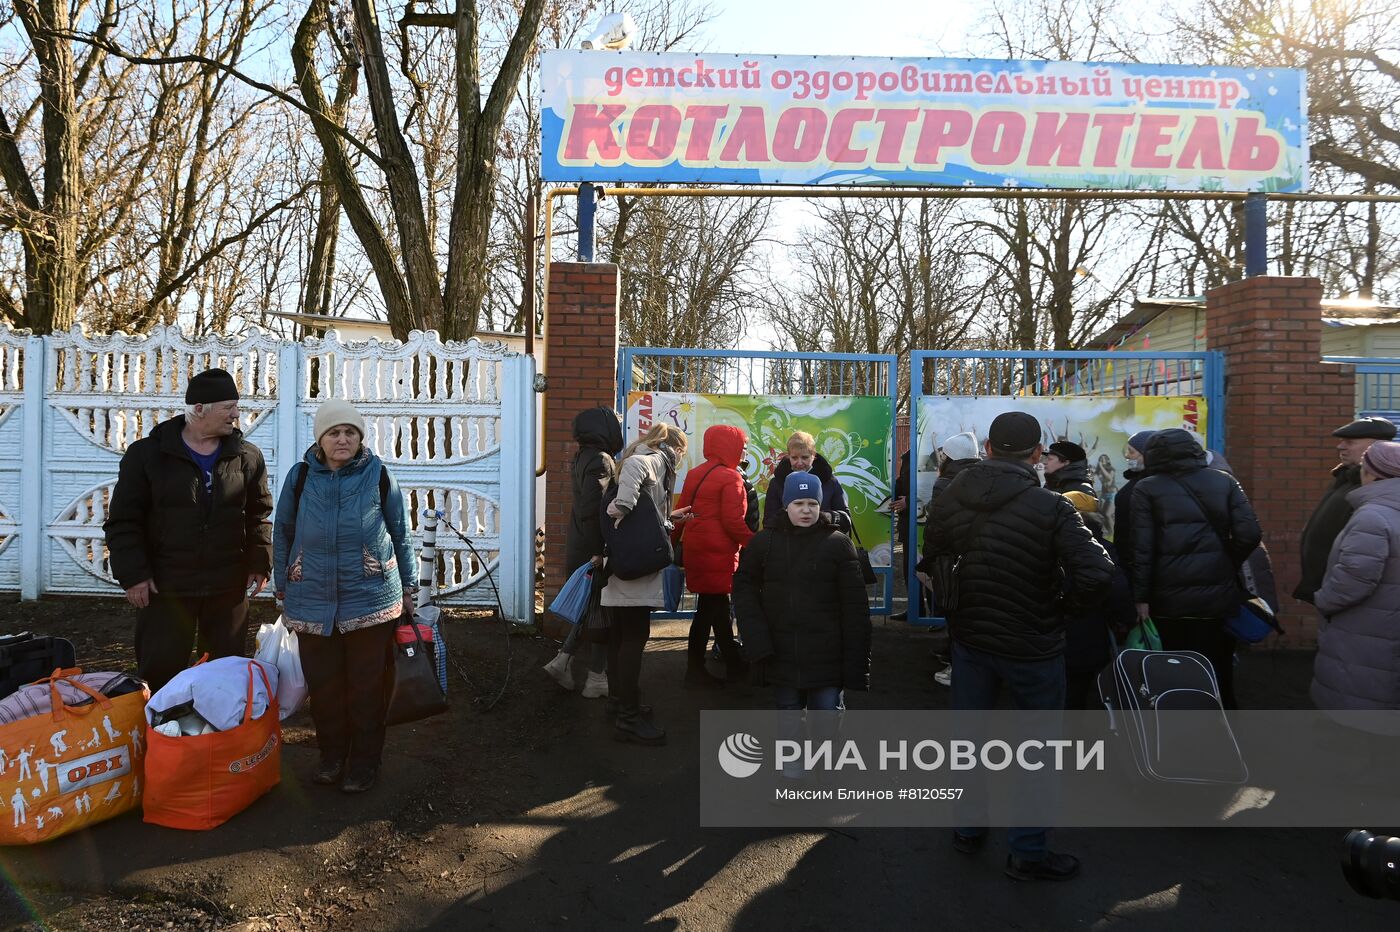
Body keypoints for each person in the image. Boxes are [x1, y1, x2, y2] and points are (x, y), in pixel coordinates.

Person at [921, 411, 1114, 881]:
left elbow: (933, 559)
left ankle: (968, 830)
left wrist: (960, 607)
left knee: (968, 744)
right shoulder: (1052, 508)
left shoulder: (950, 499)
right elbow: (1097, 572)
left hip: (970, 640)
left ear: (987, 449)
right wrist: (1060, 608)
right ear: (1034, 455)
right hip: (1033, 645)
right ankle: (1027, 852)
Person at [272, 400, 416, 793]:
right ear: (320, 438)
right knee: (325, 687)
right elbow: (282, 529)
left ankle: (365, 763)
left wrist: (408, 587)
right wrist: (282, 582)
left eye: (350, 432)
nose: (343, 439)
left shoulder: (379, 475)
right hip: (312, 597)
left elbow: (400, 533)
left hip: (369, 598)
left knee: (368, 687)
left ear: (360, 438)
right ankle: (332, 757)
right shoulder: (300, 477)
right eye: (334, 432)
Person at [104, 368, 273, 694]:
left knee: (225, 678)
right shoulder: (147, 456)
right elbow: (124, 521)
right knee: (161, 677)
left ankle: (217, 744)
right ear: (199, 409)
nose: (236, 414)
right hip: (165, 588)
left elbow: (258, 515)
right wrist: (134, 574)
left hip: (227, 587)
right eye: (228, 407)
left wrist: (259, 561)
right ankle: (163, 740)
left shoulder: (246, 457)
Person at [1128, 429, 1263, 709]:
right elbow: (1249, 534)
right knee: (1217, 663)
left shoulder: (1147, 487)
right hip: (1217, 597)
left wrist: (1140, 597)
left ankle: (1177, 723)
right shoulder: (1224, 482)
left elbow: (1142, 549)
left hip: (1167, 599)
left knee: (1173, 665)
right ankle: (1224, 724)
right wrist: (1224, 562)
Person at [733, 471, 871, 715]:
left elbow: (855, 607)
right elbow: (744, 592)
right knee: (788, 720)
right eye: (798, 503)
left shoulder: (838, 544)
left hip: (828, 656)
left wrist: (856, 660)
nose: (806, 510)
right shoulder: (765, 543)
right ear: (786, 505)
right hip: (781, 654)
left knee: (826, 718)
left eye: (812, 504)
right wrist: (757, 639)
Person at [602, 422, 691, 746]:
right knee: (632, 640)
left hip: (626, 560)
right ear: (673, 446)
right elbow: (630, 498)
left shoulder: (648, 459)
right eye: (681, 450)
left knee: (622, 638)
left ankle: (620, 704)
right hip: (635, 565)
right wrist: (620, 506)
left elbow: (645, 514)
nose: (681, 456)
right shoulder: (650, 459)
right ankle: (627, 717)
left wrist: (670, 518)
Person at [1310, 441, 1400, 714]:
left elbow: (1354, 580)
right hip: (1388, 627)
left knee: (1362, 708)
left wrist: (1323, 600)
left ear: (1371, 473)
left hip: (1365, 632)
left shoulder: (1372, 517)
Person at [543, 406, 622, 697]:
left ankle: (565, 662)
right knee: (601, 612)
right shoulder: (601, 460)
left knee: (592, 610)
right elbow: (594, 508)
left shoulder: (583, 456)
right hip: (592, 548)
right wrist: (600, 550)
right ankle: (594, 678)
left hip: (581, 542)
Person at [676, 425, 755, 688]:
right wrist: (755, 544)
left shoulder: (695, 473)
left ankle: (731, 665)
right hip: (717, 553)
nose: (744, 450)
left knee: (714, 608)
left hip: (697, 549)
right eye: (742, 444)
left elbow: (681, 512)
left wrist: (672, 542)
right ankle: (698, 669)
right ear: (730, 446)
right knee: (709, 609)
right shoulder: (731, 478)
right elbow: (734, 522)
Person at [1294, 417, 1398, 604]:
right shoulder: (1345, 478)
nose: (1340, 447)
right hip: (1329, 590)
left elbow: (1363, 562)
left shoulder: (1371, 489)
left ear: (1376, 447)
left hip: (1346, 599)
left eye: (1350, 442)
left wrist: (1329, 598)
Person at [916, 431, 981, 683]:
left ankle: (958, 668)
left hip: (952, 558)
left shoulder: (945, 482)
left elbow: (938, 525)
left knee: (957, 615)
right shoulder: (983, 475)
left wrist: (929, 558)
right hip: (978, 556)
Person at [762, 431, 851, 533]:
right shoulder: (777, 482)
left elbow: (846, 520)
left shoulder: (830, 481)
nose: (799, 463)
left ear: (813, 456)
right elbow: (768, 522)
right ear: (788, 456)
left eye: (805, 457)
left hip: (822, 544)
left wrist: (827, 517)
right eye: (794, 458)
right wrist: (790, 518)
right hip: (789, 545)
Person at [1111, 430, 1156, 582]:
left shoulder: (1150, 486)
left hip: (1137, 567)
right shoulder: (1139, 480)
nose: (1127, 456)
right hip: (1130, 564)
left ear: (1147, 455)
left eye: (1132, 452)